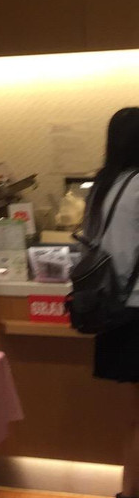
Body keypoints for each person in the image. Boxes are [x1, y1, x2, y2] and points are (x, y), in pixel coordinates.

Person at [87, 108, 139, 498]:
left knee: (135, 416)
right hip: (137, 309)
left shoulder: (102, 186)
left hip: (115, 309)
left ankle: (127, 490)